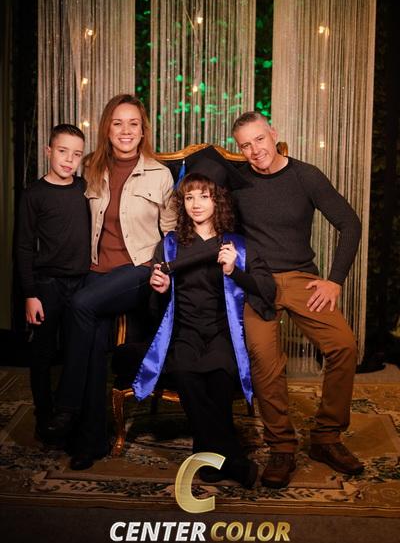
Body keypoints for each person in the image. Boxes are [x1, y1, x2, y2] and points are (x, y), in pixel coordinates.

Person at [231, 111, 364, 488]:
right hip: (258, 282)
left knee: (343, 346)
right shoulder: (236, 181)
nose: (255, 150)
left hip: (302, 278)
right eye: (245, 145)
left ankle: (327, 437)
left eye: (259, 139)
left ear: (273, 133)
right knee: (265, 360)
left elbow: (350, 224)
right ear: (239, 149)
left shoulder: (306, 175)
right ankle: (282, 447)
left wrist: (334, 281)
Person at [44, 94, 176, 470]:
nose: (125, 131)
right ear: (107, 128)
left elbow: (170, 234)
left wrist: (163, 272)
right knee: (92, 341)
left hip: (138, 270)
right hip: (95, 272)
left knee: (80, 304)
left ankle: (66, 405)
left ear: (143, 130)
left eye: (133, 123)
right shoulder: (90, 167)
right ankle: (91, 441)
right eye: (118, 123)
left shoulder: (159, 174)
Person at [132, 160, 276, 488]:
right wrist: (159, 289)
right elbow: (154, 311)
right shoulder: (169, 245)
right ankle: (234, 461)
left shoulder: (238, 245)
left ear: (218, 200)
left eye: (204, 196)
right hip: (184, 332)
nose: (196, 204)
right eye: (189, 197)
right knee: (186, 377)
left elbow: (268, 290)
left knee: (220, 380)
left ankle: (209, 455)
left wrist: (235, 271)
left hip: (223, 332)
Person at [16, 124, 90, 441]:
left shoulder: (85, 189)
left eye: (76, 154)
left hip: (82, 283)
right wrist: (30, 294)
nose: (69, 160)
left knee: (76, 351)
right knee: (43, 352)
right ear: (49, 151)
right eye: (62, 151)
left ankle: (68, 415)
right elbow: (23, 246)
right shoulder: (34, 194)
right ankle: (44, 415)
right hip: (47, 284)